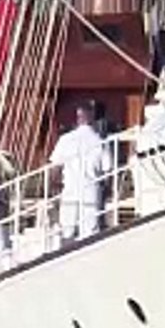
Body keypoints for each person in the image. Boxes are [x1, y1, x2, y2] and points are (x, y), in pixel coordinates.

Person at [48, 102, 114, 243]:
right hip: (90, 190)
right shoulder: (100, 141)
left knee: (67, 230)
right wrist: (107, 191)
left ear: (78, 118)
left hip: (70, 189)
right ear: (93, 118)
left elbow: (55, 168)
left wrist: (54, 187)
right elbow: (108, 171)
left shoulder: (65, 140)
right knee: (90, 232)